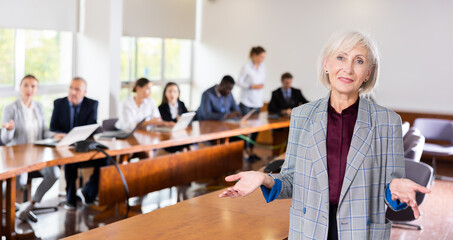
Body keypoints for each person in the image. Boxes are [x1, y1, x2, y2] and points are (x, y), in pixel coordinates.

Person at [219, 31, 430, 239]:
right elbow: (292, 180)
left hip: (362, 231)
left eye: (359, 61)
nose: (347, 68)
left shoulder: (387, 121)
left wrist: (394, 189)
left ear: (368, 72)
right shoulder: (302, 115)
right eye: (340, 58)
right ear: (326, 65)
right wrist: (263, 178)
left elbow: (391, 187)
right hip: (309, 228)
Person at [1, 75, 65, 221]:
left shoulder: (39, 107)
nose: (29, 89)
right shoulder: (10, 108)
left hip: (37, 153)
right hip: (18, 155)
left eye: (33, 86)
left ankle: (30, 205)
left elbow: (43, 132)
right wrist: (9, 129)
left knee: (54, 174)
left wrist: (55, 135)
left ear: (36, 89)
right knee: (19, 181)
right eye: (26, 85)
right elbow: (5, 140)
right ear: (20, 87)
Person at [50, 77, 106, 209]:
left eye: (77, 89)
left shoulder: (92, 104)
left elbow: (91, 128)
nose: (73, 92)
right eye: (71, 88)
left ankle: (88, 193)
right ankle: (70, 198)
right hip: (65, 147)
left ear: (84, 92)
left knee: (105, 161)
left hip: (84, 146)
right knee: (70, 161)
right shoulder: (59, 103)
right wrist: (57, 135)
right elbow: (53, 128)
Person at [237, 46, 266, 162]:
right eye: (260, 56)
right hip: (246, 101)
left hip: (257, 102)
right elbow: (238, 82)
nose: (262, 59)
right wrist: (251, 86)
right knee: (245, 128)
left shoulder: (262, 67)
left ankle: (251, 150)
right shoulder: (246, 67)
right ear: (254, 55)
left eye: (263, 57)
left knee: (255, 128)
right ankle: (245, 151)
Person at [158, 82, 191, 152]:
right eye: (169, 91)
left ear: (178, 93)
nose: (172, 94)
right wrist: (176, 119)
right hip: (169, 137)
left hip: (182, 134)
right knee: (184, 148)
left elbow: (188, 118)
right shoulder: (161, 108)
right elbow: (165, 121)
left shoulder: (181, 104)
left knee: (190, 146)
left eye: (174, 91)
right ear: (165, 93)